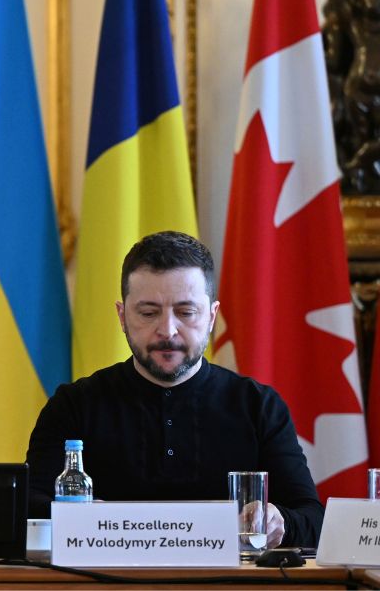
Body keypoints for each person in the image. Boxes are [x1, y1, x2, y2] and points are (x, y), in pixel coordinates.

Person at [25, 231, 324, 547]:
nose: (167, 330)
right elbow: (25, 506)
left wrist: (280, 521)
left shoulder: (258, 406)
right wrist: (77, 516)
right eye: (149, 312)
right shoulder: (73, 405)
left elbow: (312, 519)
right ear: (122, 316)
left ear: (211, 317)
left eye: (186, 312)